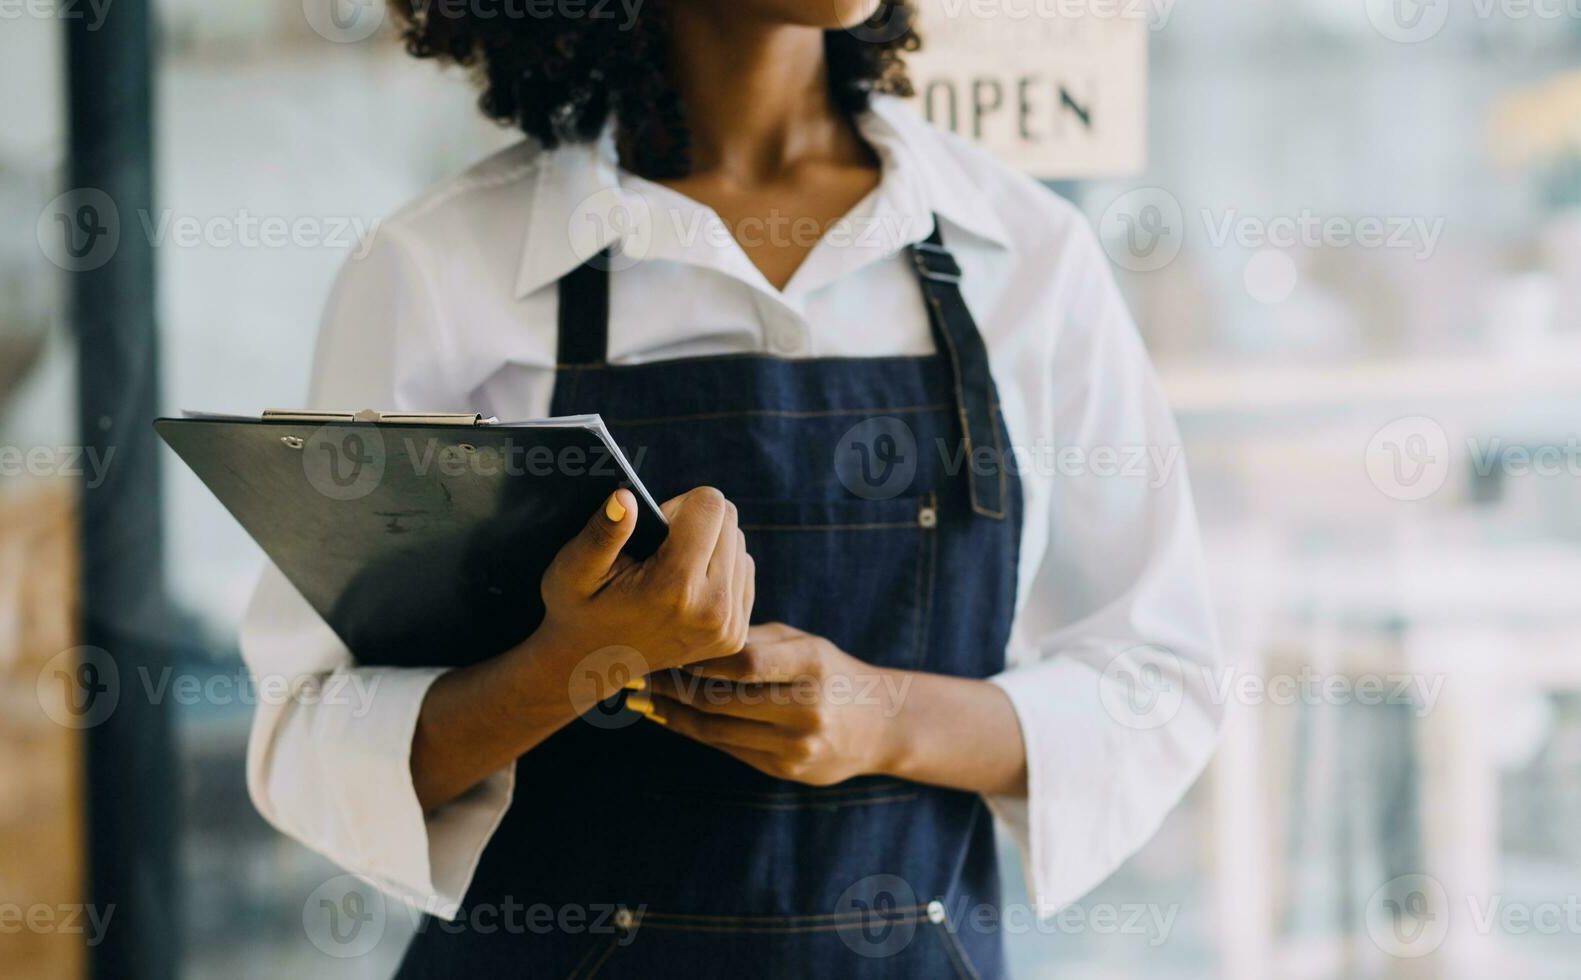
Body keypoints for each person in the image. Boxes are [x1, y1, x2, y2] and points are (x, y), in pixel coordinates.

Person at [240, 1, 1224, 975]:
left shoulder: (1023, 255)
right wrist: (568, 664)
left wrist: (885, 714)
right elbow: (314, 730)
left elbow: (1155, 683)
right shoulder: (439, 271)